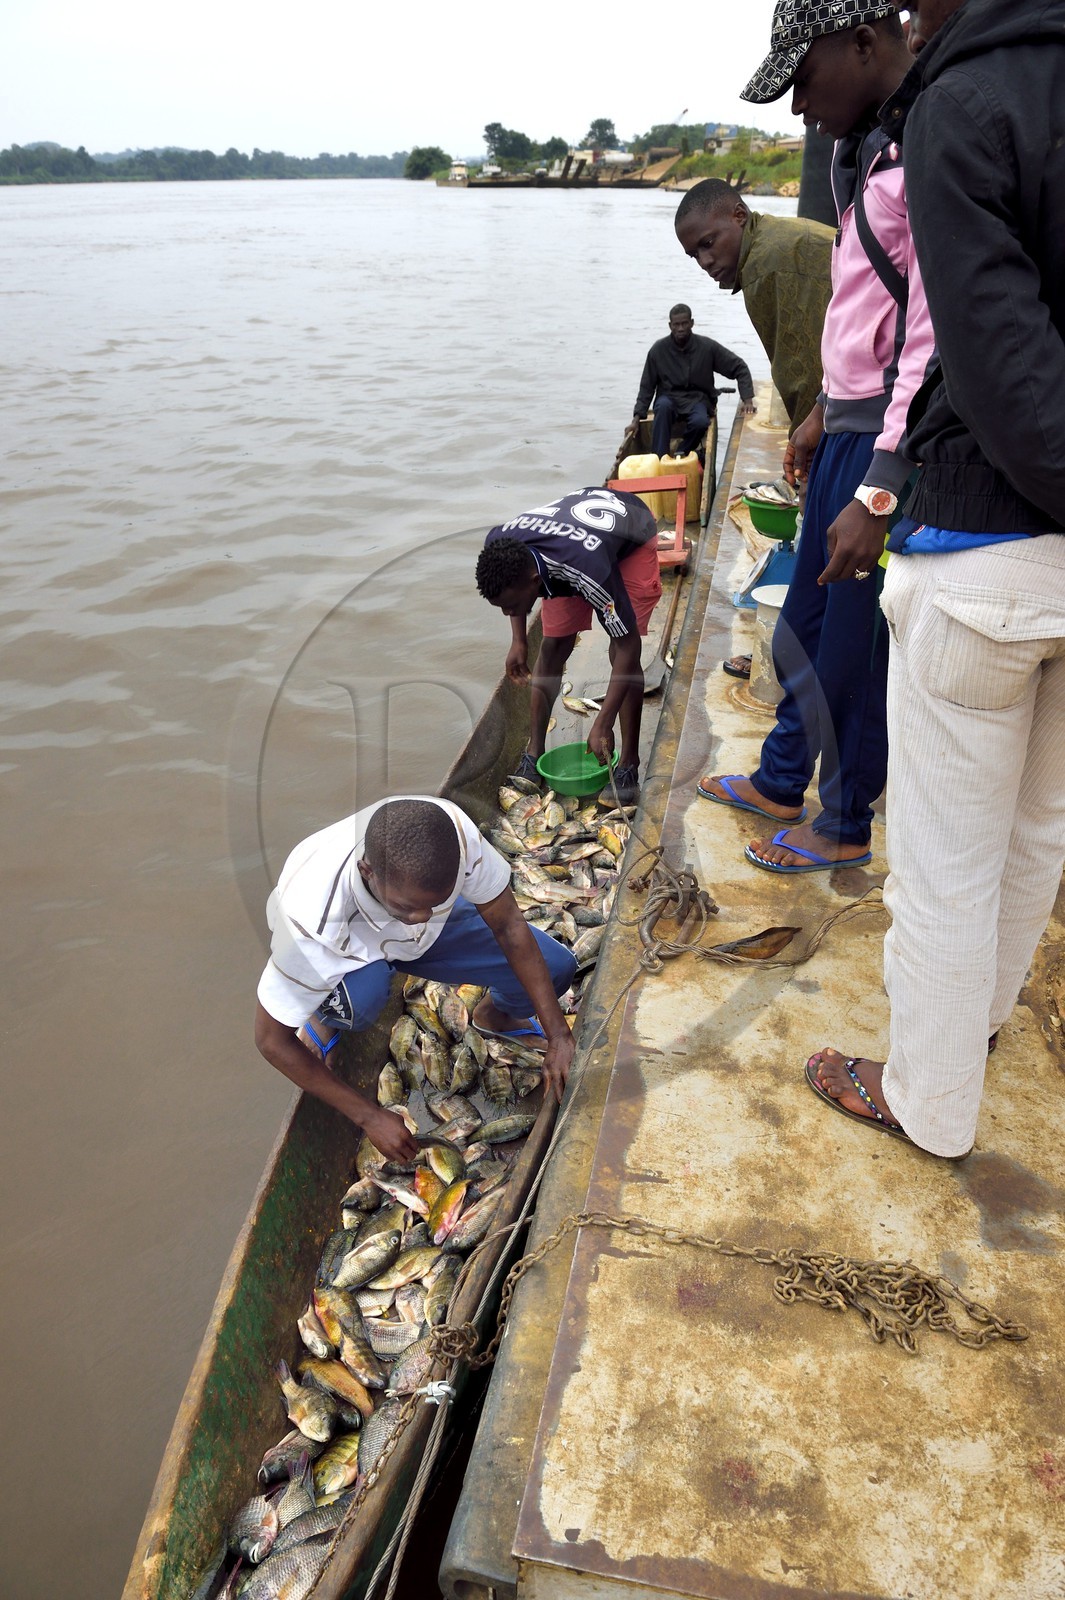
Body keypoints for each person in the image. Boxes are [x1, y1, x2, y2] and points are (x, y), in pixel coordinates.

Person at [807, 0, 1065, 1157]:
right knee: (1038, 830)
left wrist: (883, 491)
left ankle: (929, 1100)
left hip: (990, 553)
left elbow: (987, 362)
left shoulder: (966, 106)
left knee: (948, 862)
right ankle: (982, 1031)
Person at [698, 0, 936, 874]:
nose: (796, 108)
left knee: (851, 645)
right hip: (843, 426)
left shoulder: (921, 162)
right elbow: (858, 314)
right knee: (799, 622)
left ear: (865, 42)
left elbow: (927, 338)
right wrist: (813, 415)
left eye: (801, 80)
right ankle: (781, 775)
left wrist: (877, 485)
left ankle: (842, 822)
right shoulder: (864, 160)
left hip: (884, 443)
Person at [254, 796, 577, 1162]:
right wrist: (370, 1116)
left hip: (415, 940)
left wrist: (558, 1035)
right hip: (344, 943)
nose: (422, 916)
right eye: (408, 907)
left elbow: (509, 927)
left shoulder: (454, 833)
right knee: (362, 1000)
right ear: (367, 871)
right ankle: (322, 1015)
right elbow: (270, 1040)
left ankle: (496, 1016)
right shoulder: (311, 926)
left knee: (557, 968)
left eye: (435, 902)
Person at [475, 486, 662, 806]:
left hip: (630, 535)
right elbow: (513, 594)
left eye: (512, 606)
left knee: (620, 651)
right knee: (551, 647)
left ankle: (629, 764)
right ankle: (534, 754)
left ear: (534, 581)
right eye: (502, 609)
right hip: (569, 547)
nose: (509, 612)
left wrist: (603, 721)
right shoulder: (498, 543)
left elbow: (629, 646)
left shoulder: (588, 569)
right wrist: (518, 641)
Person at [675, 179, 835, 433]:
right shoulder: (773, 233)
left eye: (707, 244)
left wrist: (805, 453)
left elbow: (801, 374)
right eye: (694, 255)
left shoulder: (764, 266)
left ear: (739, 215)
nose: (704, 262)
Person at [629, 303, 756, 460]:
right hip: (669, 398)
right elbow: (646, 387)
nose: (681, 328)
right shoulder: (658, 350)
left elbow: (739, 367)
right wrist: (636, 418)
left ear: (692, 323)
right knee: (662, 407)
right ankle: (659, 457)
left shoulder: (706, 347)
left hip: (698, 399)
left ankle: (682, 451)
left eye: (684, 323)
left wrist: (747, 399)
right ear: (670, 326)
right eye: (676, 324)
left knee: (701, 422)